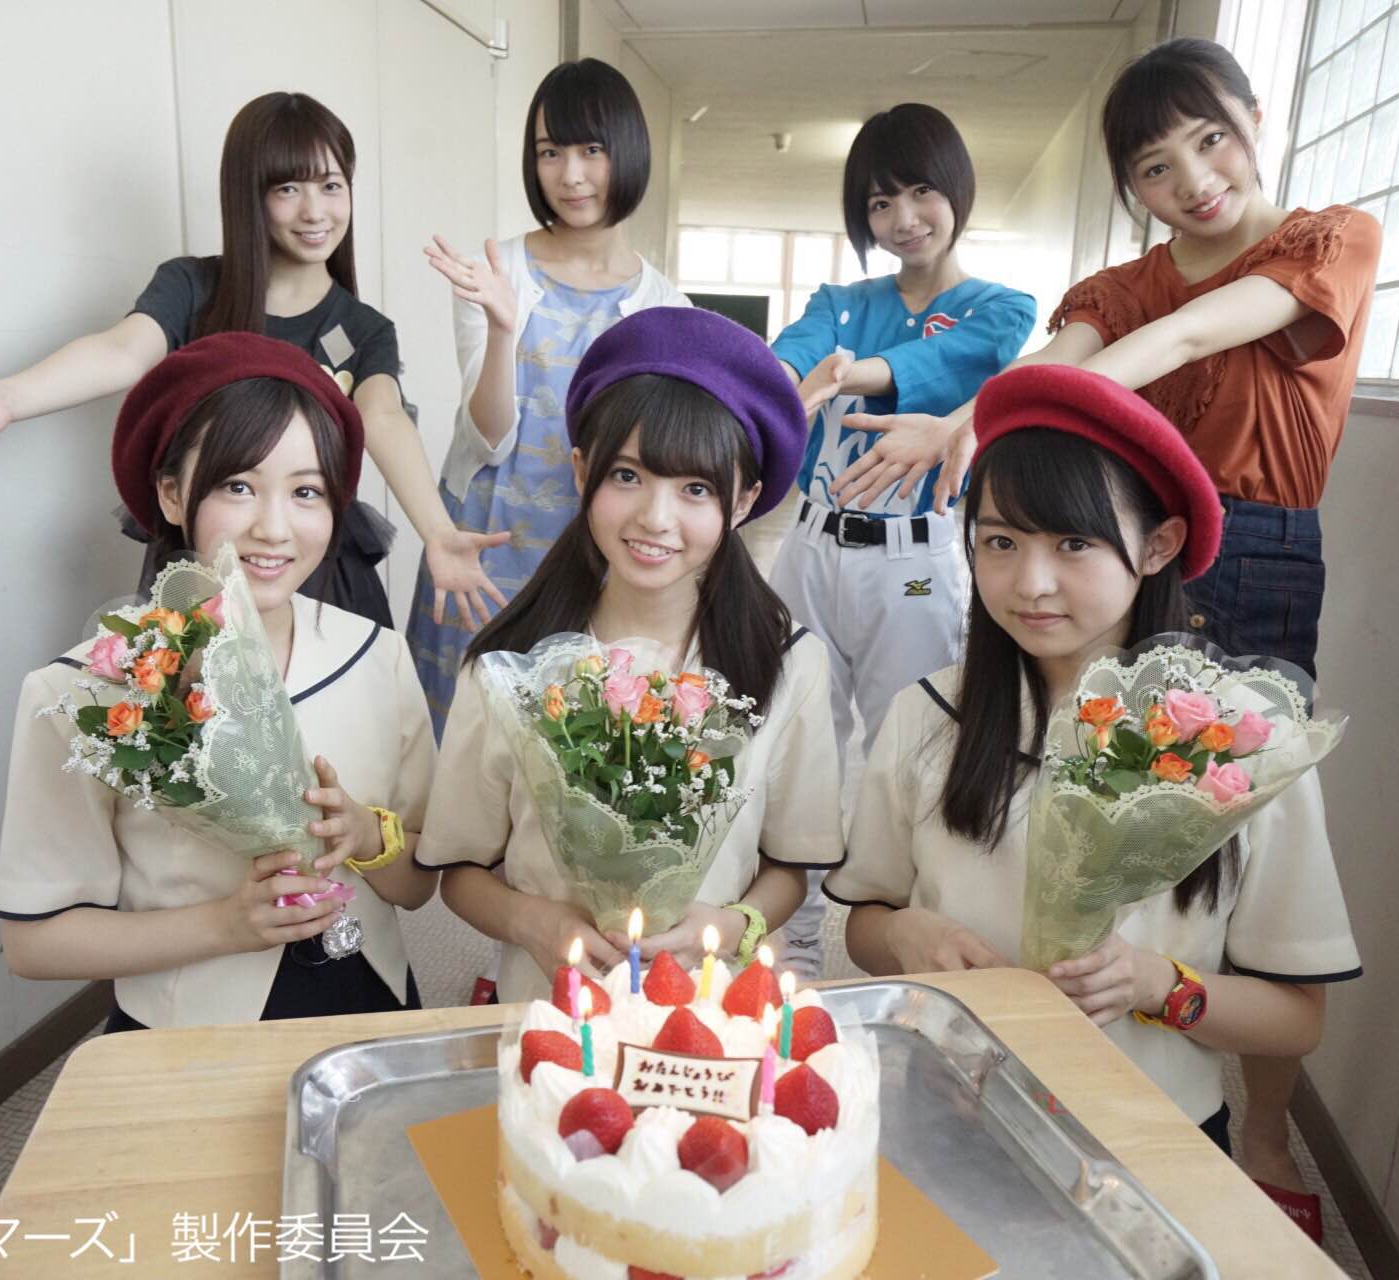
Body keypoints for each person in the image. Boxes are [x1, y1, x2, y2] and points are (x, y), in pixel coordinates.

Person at [827, 41, 1380, 1235]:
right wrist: (976, 432)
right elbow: (1056, 363)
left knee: (1223, 830)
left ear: (1255, 119)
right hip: (1105, 508)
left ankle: (1260, 1127)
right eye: (1154, 166)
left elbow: (1170, 346)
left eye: (1210, 139)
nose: (1192, 178)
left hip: (1233, 535)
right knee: (1044, 761)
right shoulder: (1119, 286)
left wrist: (1031, 428)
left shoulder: (1322, 240)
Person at [830, 364, 1360, 1200]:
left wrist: (1158, 986)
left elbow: (1295, 1019)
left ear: (1158, 545)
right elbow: (865, 923)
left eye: (1072, 544)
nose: (1030, 582)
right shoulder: (925, 715)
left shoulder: (1241, 742)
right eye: (1000, 542)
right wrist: (902, 938)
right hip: (949, 1112)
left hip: (1151, 1139)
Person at [0, 91, 505, 633]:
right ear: (249, 196)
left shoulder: (365, 330)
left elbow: (383, 416)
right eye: (288, 188)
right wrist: (7, 398)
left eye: (331, 186)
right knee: (194, 730)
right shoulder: (192, 288)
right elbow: (121, 351)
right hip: (203, 572)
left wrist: (438, 532)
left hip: (318, 578)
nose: (316, 212)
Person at [0, 333, 436, 1030]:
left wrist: (366, 835)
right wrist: (227, 924)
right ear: (171, 494)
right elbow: (33, 944)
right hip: (188, 1032)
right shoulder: (78, 692)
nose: (274, 528)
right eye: (238, 486)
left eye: (307, 491)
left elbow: (417, 888)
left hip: (372, 1005)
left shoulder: (378, 654)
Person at [416, 307, 845, 1006]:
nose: (655, 518)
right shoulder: (507, 664)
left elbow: (789, 869)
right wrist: (532, 922)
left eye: (696, 489)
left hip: (712, 1014)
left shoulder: (788, 662)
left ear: (743, 500)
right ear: (581, 469)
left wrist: (728, 925)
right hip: (548, 1008)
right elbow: (459, 872)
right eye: (626, 476)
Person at [764, 102, 1034, 982]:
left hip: (912, 564)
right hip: (809, 551)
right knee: (794, 733)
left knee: (910, 743)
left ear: (956, 191)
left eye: (920, 192)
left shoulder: (1001, 308)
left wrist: (848, 374)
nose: (902, 218)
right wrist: (776, 381)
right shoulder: (839, 302)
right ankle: (796, 941)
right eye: (879, 203)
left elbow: (938, 367)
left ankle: (913, 938)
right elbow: (790, 358)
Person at [410, 58, 687, 734]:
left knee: (568, 739)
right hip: (484, 545)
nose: (570, 175)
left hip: (590, 557)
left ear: (627, 152)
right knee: (460, 733)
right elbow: (489, 437)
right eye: (549, 152)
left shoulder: (664, 307)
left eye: (591, 150)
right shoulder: (494, 270)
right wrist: (503, 328)